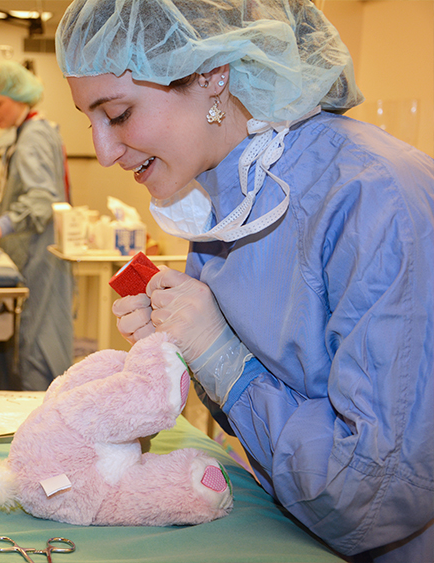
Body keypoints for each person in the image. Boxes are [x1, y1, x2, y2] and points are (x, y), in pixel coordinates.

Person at [55, 1, 434, 561]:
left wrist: (223, 358)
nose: (104, 152)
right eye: (90, 122)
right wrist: (183, 346)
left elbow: (377, 495)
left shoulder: (374, 198)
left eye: (117, 114)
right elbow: (264, 386)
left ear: (212, 75)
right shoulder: (230, 196)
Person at [0, 61, 74, 392]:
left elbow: (42, 199)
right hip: (29, 255)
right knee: (24, 342)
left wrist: (3, 224)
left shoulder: (34, 136)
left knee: (37, 345)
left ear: (20, 96)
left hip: (40, 257)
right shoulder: (22, 134)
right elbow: (19, 189)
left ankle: (42, 429)